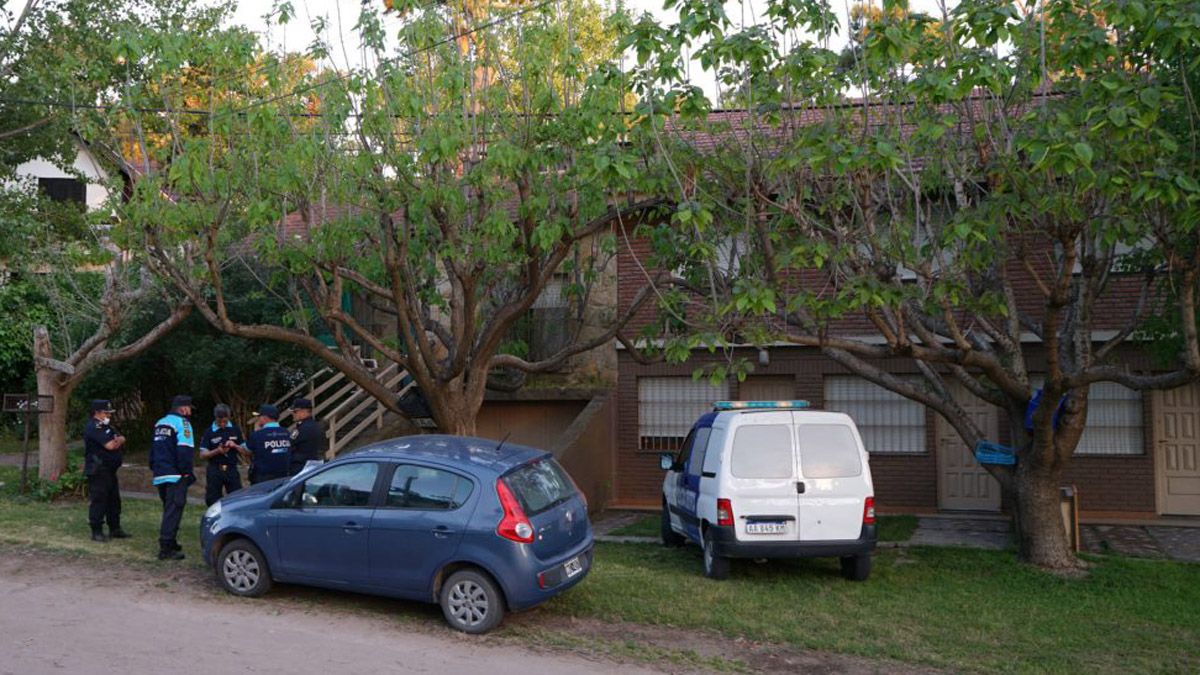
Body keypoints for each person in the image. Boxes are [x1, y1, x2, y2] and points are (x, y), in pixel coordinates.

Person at [150, 394, 196, 561]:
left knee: (168, 509)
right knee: (174, 510)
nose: (190, 411)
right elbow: (184, 450)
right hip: (175, 474)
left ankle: (172, 541)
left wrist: (154, 468)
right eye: (189, 408)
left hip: (160, 473)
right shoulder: (183, 423)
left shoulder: (160, 422)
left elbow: (153, 450)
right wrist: (186, 472)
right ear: (183, 408)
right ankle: (166, 547)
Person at [82, 400, 127, 542]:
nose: (108, 415)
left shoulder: (106, 426)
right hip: (98, 469)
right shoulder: (95, 426)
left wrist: (118, 440)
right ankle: (97, 531)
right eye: (106, 412)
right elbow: (110, 445)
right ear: (97, 412)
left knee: (114, 500)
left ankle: (115, 528)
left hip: (110, 469)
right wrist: (118, 441)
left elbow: (121, 438)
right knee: (99, 500)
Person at [198, 404, 249, 506]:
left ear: (229, 418)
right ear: (215, 418)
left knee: (236, 497)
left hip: (231, 468)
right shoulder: (209, 432)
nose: (222, 424)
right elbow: (202, 455)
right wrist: (217, 451)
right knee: (212, 498)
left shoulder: (235, 430)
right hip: (215, 469)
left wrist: (235, 446)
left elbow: (246, 452)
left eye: (225, 421)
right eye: (219, 421)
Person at [246, 404, 291, 484]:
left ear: (265, 417)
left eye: (259, 416)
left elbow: (248, 451)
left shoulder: (257, 434)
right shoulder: (286, 433)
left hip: (262, 478)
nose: (258, 419)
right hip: (284, 476)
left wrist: (235, 446)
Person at [288, 398, 325, 476]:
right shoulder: (318, 426)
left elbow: (289, 445)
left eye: (295, 411)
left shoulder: (300, 429)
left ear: (304, 411)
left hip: (301, 469)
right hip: (317, 467)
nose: (293, 414)